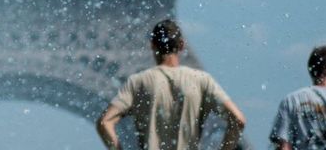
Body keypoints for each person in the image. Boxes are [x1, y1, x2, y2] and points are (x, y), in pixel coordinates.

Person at [97, 19, 247, 150]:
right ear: (181, 45)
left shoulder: (138, 82)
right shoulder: (202, 80)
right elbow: (238, 119)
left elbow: (105, 122)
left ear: (152, 45)